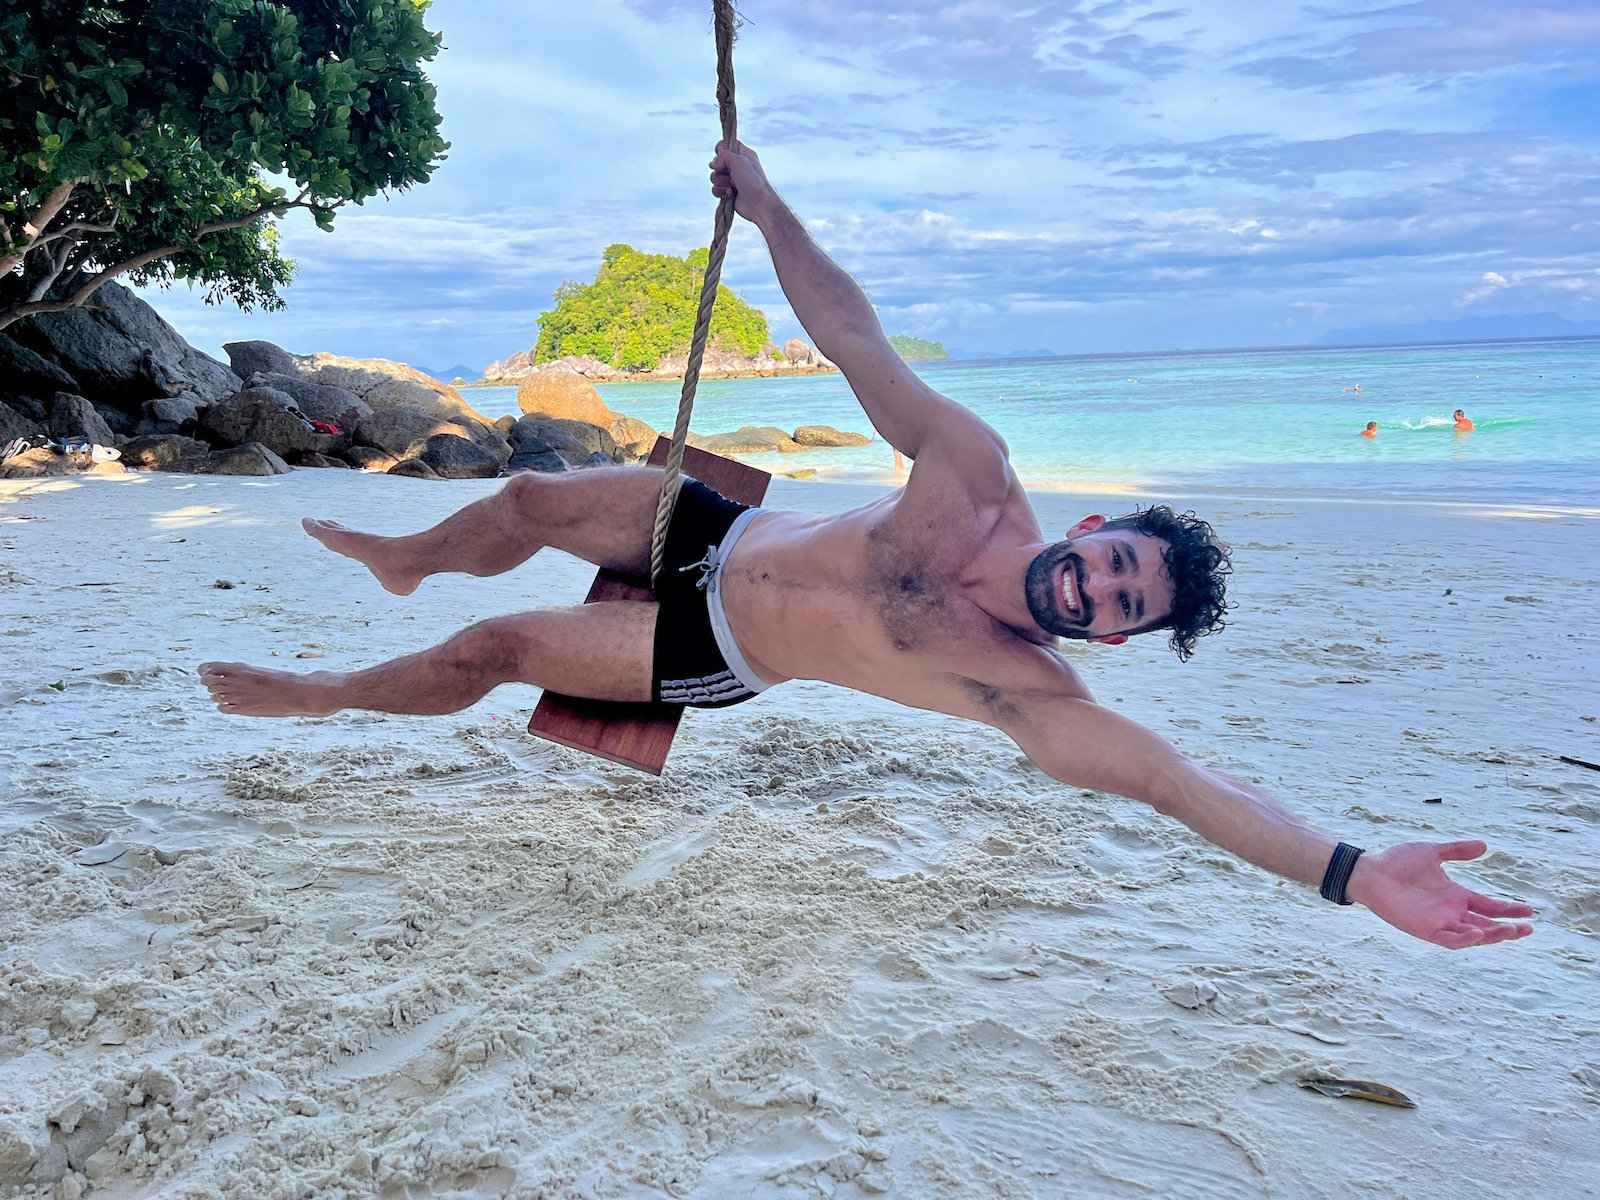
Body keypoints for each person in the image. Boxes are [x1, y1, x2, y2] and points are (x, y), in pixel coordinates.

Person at [200, 140, 1533, 952]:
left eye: (1126, 605)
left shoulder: (1026, 691)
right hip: (726, 526)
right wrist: (769, 206)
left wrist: (1353, 873)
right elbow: (854, 339)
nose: (1104, 588)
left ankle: (323, 694)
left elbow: (1182, 787)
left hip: (715, 642)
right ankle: (408, 556)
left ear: (1118, 635)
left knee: (495, 651)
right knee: (536, 503)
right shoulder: (968, 471)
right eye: (1120, 559)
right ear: (1091, 527)